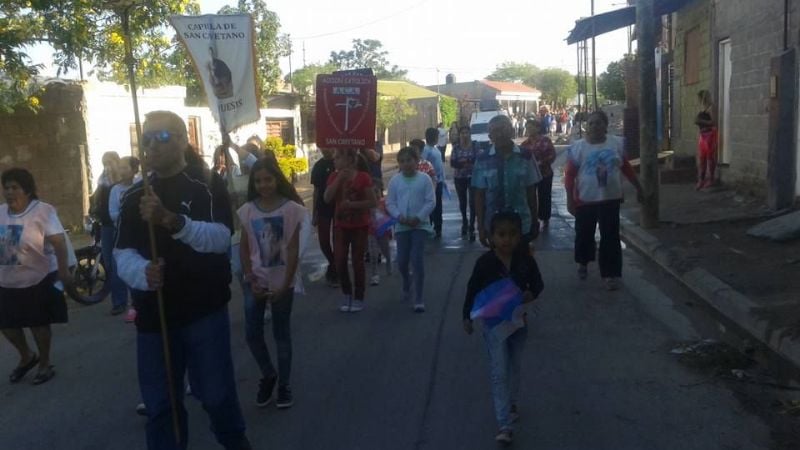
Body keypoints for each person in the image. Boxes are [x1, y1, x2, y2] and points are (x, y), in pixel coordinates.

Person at [114, 110, 251, 449]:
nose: (152, 146)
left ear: (182, 139)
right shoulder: (134, 196)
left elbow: (222, 238)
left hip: (203, 310)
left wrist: (172, 221)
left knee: (217, 397)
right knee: (161, 408)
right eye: (146, 139)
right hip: (153, 317)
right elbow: (121, 253)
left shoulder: (207, 184)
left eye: (162, 137)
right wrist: (142, 273)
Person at [462, 211, 543, 445]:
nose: (506, 240)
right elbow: (472, 289)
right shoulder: (485, 263)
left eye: (512, 234)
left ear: (519, 237)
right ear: (491, 236)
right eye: (501, 234)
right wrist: (466, 316)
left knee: (514, 365)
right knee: (499, 371)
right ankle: (504, 423)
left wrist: (531, 293)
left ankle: (512, 402)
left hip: (518, 322)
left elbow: (538, 283)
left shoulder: (525, 261)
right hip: (493, 325)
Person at [238, 157, 307, 410]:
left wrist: (286, 283)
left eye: (267, 179)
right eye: (258, 181)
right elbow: (244, 249)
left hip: (282, 283)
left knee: (281, 334)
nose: (263, 185)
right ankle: (268, 373)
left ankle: (284, 385)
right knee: (252, 333)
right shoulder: (248, 210)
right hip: (255, 281)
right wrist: (249, 277)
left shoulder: (290, 209)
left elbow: (292, 249)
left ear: (277, 179)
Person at [0, 168, 73, 385]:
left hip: (39, 274)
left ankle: (44, 363)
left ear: (28, 190)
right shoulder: (2, 212)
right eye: (6, 188)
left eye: (15, 187)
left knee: (38, 322)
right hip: (8, 277)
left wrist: (63, 270)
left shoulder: (43, 211)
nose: (9, 192)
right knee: (7, 325)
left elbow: (59, 243)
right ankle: (27, 356)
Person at [564, 110, 643, 291]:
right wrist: (570, 200)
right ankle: (583, 262)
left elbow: (626, 168)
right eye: (591, 123)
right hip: (585, 200)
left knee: (610, 237)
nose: (594, 126)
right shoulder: (578, 148)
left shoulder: (615, 144)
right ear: (586, 127)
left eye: (598, 123)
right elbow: (569, 176)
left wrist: (639, 188)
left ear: (605, 126)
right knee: (584, 234)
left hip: (610, 198)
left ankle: (610, 274)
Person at [473, 115, 542, 252]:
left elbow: (531, 192)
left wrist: (535, 221)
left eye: (503, 129)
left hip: (522, 224)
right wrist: (480, 227)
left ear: (511, 131)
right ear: (490, 136)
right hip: (494, 228)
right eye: (495, 131)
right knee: (498, 270)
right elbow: (479, 195)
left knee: (523, 267)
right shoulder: (482, 159)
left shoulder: (526, 156)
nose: (500, 134)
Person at [324, 149, 377, 313]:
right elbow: (327, 198)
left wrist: (353, 205)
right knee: (339, 260)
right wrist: (339, 178)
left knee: (357, 261)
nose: (335, 160)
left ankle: (359, 296)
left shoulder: (363, 177)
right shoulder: (334, 176)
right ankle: (346, 292)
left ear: (350, 159)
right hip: (340, 225)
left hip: (359, 225)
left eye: (339, 156)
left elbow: (372, 202)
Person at [386, 147, 436, 312]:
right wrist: (399, 216)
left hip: (419, 226)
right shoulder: (395, 181)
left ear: (417, 161)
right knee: (401, 261)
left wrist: (419, 217)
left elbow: (430, 201)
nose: (406, 164)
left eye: (409, 160)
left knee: (416, 259)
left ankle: (419, 297)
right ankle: (407, 281)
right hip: (402, 226)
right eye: (402, 161)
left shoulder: (425, 179)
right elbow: (390, 203)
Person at [92, 151, 127, 315]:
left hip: (121, 226)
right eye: (104, 162)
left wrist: (114, 177)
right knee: (110, 264)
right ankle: (119, 300)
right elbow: (96, 201)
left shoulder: (122, 180)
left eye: (109, 162)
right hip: (106, 226)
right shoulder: (102, 181)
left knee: (121, 262)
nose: (106, 166)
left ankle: (125, 301)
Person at [108, 156, 140, 323]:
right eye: (119, 167)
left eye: (125, 167)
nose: (121, 171)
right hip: (121, 232)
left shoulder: (140, 185)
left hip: (139, 232)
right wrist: (128, 214)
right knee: (118, 267)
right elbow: (112, 213)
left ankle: (137, 302)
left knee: (138, 265)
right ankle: (119, 302)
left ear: (134, 170)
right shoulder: (115, 190)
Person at [520, 119, 556, 228]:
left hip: (545, 173)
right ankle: (532, 218)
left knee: (544, 196)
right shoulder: (524, 144)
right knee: (530, 197)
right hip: (530, 175)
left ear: (538, 128)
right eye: (528, 127)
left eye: (531, 127)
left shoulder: (545, 140)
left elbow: (552, 154)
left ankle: (545, 218)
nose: (529, 129)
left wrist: (542, 162)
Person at [310, 147, 338, 287]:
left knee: (337, 240)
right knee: (324, 240)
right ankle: (333, 264)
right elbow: (316, 191)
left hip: (339, 207)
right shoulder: (318, 166)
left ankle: (335, 271)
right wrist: (314, 212)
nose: (326, 149)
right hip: (323, 207)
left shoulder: (340, 163)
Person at [450, 125, 479, 241]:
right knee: (463, 202)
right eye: (462, 133)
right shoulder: (456, 148)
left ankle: (472, 225)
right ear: (460, 135)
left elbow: (477, 159)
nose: (464, 135)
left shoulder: (475, 146)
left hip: (473, 177)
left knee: (473, 202)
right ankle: (464, 222)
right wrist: (465, 163)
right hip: (459, 178)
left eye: (467, 133)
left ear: (470, 134)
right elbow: (453, 163)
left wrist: (464, 162)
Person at [423, 128, 445, 238]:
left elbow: (440, 165)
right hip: (431, 182)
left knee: (438, 204)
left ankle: (438, 226)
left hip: (439, 181)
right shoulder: (426, 150)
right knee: (432, 204)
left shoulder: (435, 149)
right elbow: (423, 165)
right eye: (436, 136)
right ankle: (431, 224)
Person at [695, 89, 717, 190]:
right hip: (702, 134)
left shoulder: (710, 108)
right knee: (702, 159)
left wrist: (701, 120)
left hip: (709, 134)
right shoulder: (702, 108)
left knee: (709, 158)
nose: (699, 101)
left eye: (700, 99)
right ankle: (701, 180)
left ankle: (710, 179)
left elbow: (713, 122)